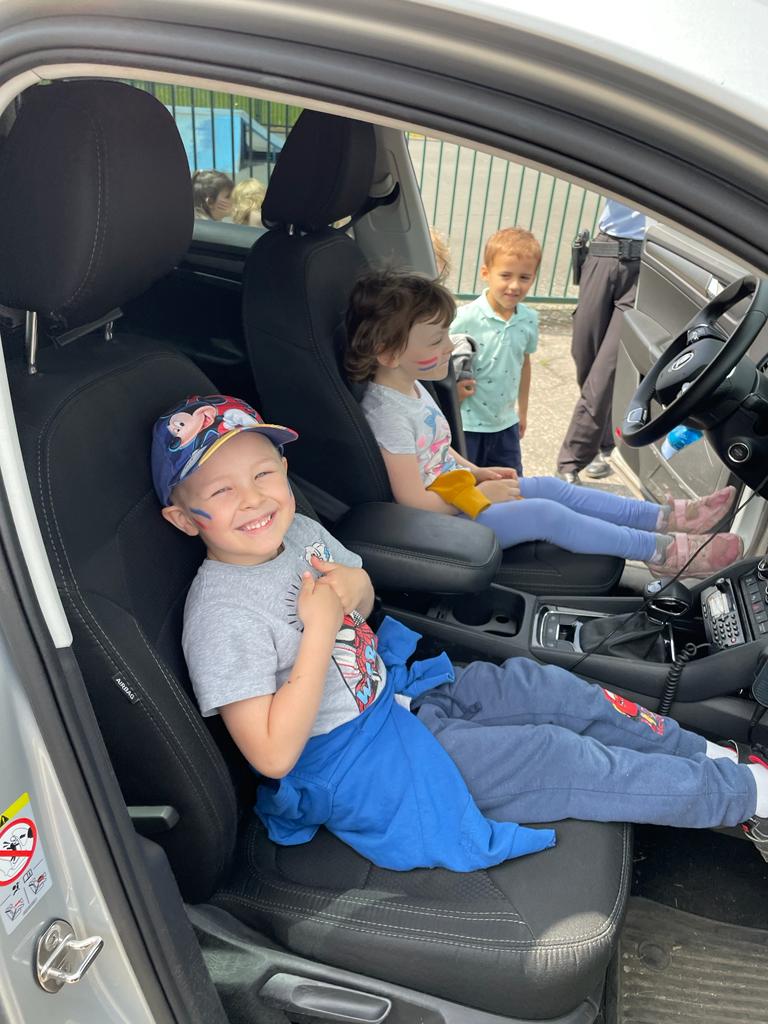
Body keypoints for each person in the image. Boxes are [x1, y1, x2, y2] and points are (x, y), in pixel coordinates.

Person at [151, 392, 768, 870]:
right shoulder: (221, 616)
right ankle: (742, 795)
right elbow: (272, 754)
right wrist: (318, 631)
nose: (254, 500)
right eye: (222, 490)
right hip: (351, 761)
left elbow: (361, 596)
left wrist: (353, 588)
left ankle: (704, 754)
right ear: (182, 518)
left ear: (285, 469)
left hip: (394, 694)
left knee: (547, 689)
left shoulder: (299, 533)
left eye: (264, 474)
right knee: (554, 754)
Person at [347, 269, 743, 578]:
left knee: (552, 488)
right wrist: (477, 495)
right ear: (388, 353)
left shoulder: (410, 385)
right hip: (443, 522)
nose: (450, 346)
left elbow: (434, 448)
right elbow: (413, 501)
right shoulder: (388, 414)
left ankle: (665, 519)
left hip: (458, 494)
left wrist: (477, 472)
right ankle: (662, 553)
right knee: (546, 515)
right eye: (436, 341)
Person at [557, 200, 647, 484]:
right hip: (604, 250)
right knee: (583, 354)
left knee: (605, 372)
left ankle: (570, 460)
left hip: (648, 263)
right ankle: (603, 439)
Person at [449, 227, 540, 475]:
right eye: (505, 275)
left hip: (505, 424)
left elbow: (524, 364)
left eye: (524, 277)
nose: (514, 286)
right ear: (486, 273)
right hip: (467, 424)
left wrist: (522, 412)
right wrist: (453, 393)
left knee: (510, 483)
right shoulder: (464, 318)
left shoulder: (529, 319)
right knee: (467, 485)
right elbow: (440, 361)